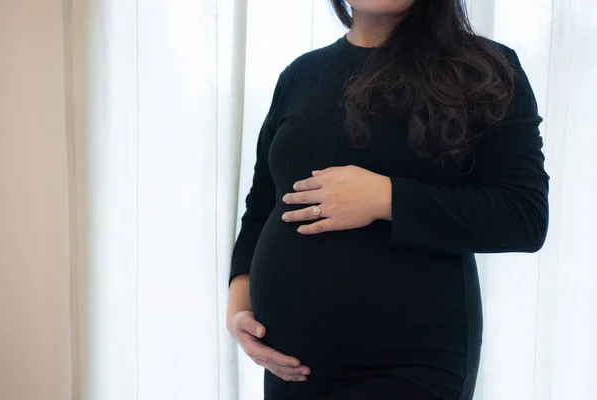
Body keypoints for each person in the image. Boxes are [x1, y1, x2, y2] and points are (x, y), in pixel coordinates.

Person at [226, 0, 550, 399]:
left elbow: (523, 215)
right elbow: (262, 206)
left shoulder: (484, 68)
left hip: (410, 367)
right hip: (291, 368)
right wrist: (239, 304)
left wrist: (387, 198)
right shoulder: (299, 75)